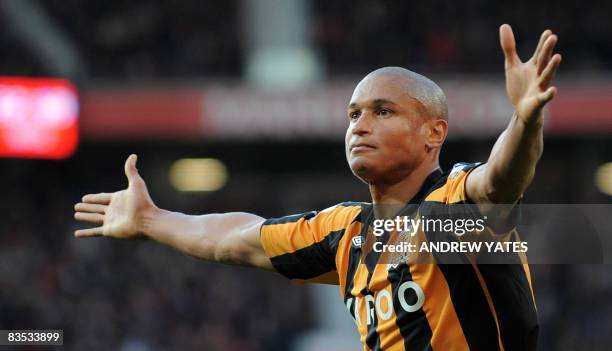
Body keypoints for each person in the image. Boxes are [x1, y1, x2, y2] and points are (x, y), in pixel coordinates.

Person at [74, 24, 561, 350]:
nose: (359, 126)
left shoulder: (454, 207)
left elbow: (502, 178)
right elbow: (237, 239)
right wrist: (151, 218)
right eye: (353, 115)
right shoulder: (345, 234)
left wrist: (524, 120)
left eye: (383, 111)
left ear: (434, 133)